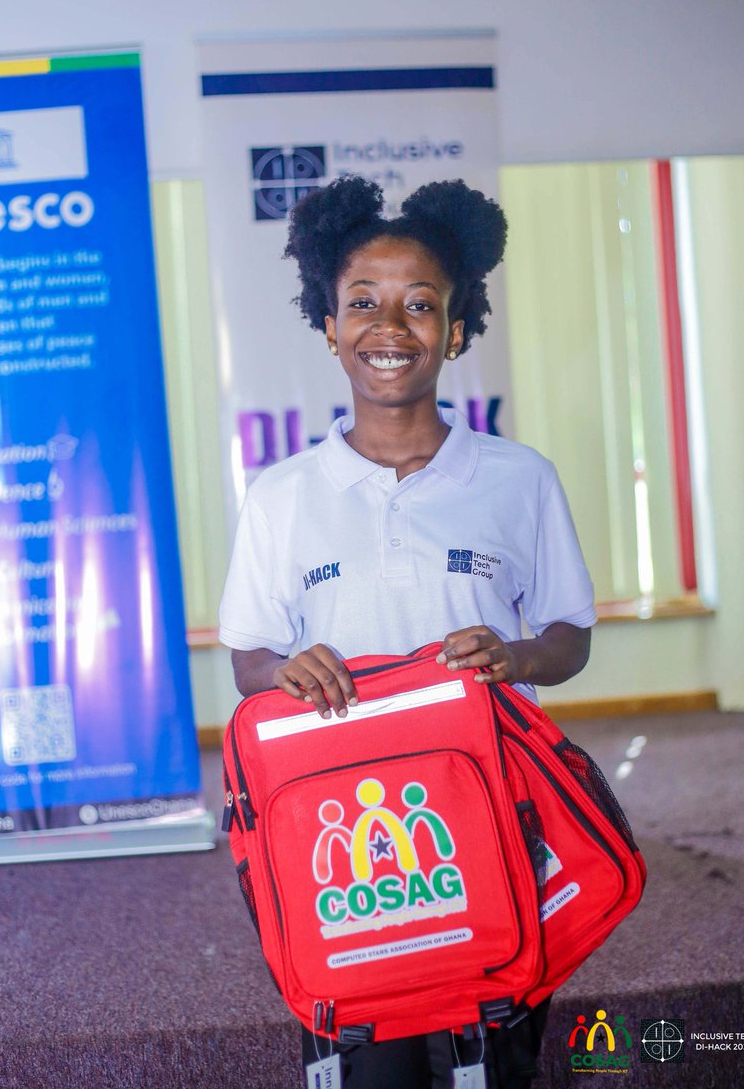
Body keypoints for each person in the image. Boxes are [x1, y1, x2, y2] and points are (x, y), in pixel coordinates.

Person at [219, 175, 596, 1088]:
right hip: (341, 834)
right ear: (329, 327)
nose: (390, 326)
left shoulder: (518, 479)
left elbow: (570, 635)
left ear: (457, 329)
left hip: (494, 810)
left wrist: (517, 656)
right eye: (362, 304)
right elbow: (247, 659)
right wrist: (284, 671)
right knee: (371, 1062)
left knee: (497, 1046)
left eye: (420, 305)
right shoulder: (280, 497)